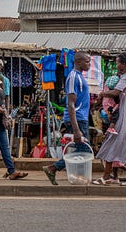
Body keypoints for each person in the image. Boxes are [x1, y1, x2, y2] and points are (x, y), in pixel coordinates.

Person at [42, 51, 92, 185]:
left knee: (80, 149)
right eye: (87, 61)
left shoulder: (80, 77)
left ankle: (63, 171)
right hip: (77, 119)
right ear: (79, 62)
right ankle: (55, 168)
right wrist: (76, 129)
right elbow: (70, 104)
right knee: (85, 150)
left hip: (82, 118)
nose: (89, 64)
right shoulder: (73, 77)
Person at [93, 52, 126, 186]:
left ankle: (106, 177)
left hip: (124, 116)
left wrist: (102, 93)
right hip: (125, 114)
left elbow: (116, 92)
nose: (117, 65)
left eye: (118, 62)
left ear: (124, 64)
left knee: (111, 142)